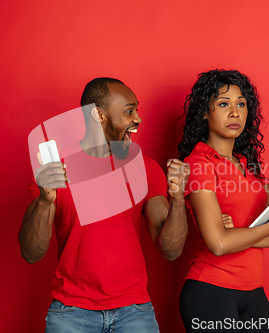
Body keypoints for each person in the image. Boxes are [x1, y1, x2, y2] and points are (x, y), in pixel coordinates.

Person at [19, 77, 190, 332]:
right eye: (129, 111)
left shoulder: (146, 168)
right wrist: (45, 200)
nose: (138, 119)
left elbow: (171, 249)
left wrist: (177, 201)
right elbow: (31, 253)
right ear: (98, 114)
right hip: (71, 313)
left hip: (134, 312)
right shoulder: (54, 171)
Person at [178, 69, 269, 333]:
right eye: (223, 104)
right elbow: (219, 245)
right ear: (205, 113)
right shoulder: (198, 164)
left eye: (241, 104)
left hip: (254, 294)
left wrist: (236, 235)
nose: (235, 112)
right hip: (210, 291)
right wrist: (266, 227)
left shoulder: (249, 166)